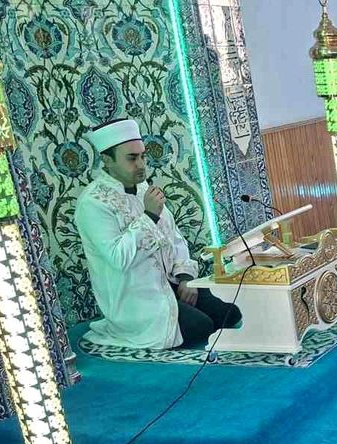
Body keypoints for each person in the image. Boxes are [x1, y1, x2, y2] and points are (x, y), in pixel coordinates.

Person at [76, 118, 240, 349]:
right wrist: (149, 216)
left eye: (143, 156)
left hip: (169, 283)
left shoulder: (143, 189)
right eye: (132, 158)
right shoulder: (93, 203)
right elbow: (118, 259)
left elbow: (174, 237)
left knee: (231, 313)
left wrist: (186, 278)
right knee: (201, 327)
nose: (141, 164)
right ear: (107, 160)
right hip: (136, 299)